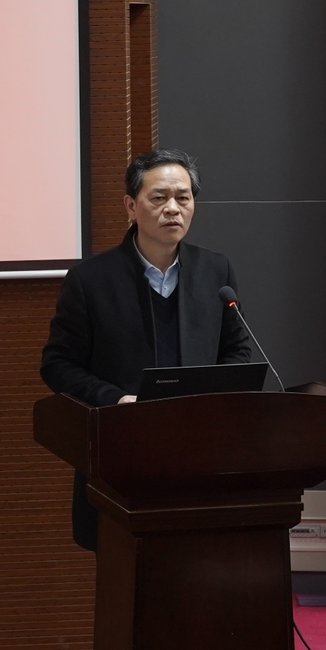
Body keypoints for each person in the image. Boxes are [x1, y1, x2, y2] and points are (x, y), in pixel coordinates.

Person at [40, 148, 253, 550]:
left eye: (183, 198)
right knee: (126, 566)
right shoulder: (91, 280)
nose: (173, 208)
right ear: (130, 206)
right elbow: (58, 365)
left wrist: (209, 397)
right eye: (159, 197)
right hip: (123, 454)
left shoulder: (215, 271)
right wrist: (116, 399)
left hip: (200, 452)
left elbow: (238, 350)